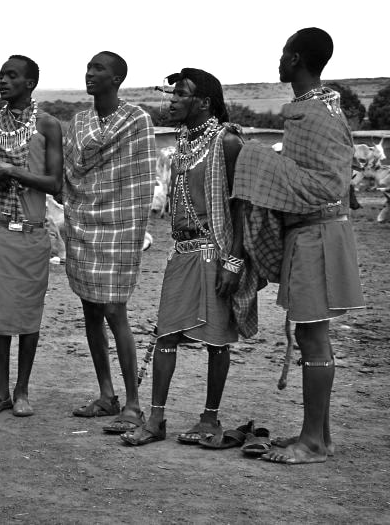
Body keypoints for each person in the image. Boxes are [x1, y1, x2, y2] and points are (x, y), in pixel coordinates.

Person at [232, 28, 363, 464]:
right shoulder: (311, 109)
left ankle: (312, 444)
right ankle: (318, 438)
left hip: (320, 233)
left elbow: (328, 185)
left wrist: (254, 158)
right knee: (310, 333)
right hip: (310, 234)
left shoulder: (319, 116)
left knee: (313, 336)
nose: (280, 59)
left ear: (296, 59)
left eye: (284, 53)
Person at [120, 68, 261, 446]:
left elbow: (240, 208)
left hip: (215, 254)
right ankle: (156, 420)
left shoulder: (227, 143)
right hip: (182, 253)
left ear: (204, 102)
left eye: (181, 94)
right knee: (165, 333)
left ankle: (210, 420)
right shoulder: (184, 140)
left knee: (217, 341)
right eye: (173, 94)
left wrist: (233, 263)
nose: (173, 100)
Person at [64, 51, 155, 434]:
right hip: (83, 222)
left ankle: (133, 403)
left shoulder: (137, 120)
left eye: (98, 69)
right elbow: (71, 172)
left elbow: (141, 179)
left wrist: (128, 223)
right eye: (88, 68)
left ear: (116, 79)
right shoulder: (79, 120)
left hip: (119, 226)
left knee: (115, 311)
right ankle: (106, 394)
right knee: (90, 310)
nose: (89, 74)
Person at [0, 55, 62, 417]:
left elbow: (54, 183)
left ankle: (22, 390)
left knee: (26, 314)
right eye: (1, 76)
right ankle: (1, 390)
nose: (4, 81)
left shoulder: (49, 125)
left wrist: (12, 169)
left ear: (30, 83)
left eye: (12, 76)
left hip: (30, 233)